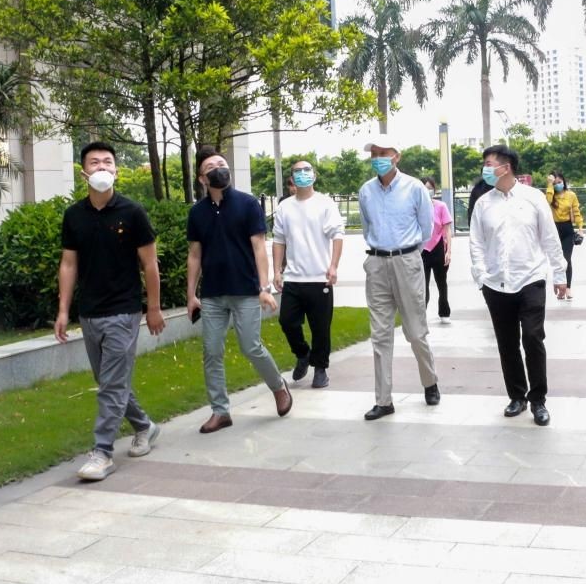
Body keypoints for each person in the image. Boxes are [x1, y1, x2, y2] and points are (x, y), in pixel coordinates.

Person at [56, 142, 165, 482]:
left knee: (111, 385)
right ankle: (144, 426)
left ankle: (102, 452)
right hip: (90, 311)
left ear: (116, 170)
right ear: (83, 172)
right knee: (108, 381)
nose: (101, 166)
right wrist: (63, 310)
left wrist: (153, 307)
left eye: (107, 161)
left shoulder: (132, 212)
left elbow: (150, 264)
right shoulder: (74, 215)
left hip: (123, 310)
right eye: (94, 162)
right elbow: (68, 264)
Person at [186, 147, 293, 433]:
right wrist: (191, 295)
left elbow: (259, 248)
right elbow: (194, 255)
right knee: (211, 351)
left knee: (250, 346)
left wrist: (264, 287)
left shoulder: (247, 204)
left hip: (245, 290)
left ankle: (278, 387)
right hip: (212, 294)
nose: (219, 169)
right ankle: (220, 411)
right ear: (202, 179)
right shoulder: (197, 213)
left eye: (221, 163)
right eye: (211, 167)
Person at [471, 146, 567, 426]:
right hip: (496, 283)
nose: (486, 169)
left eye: (490, 164)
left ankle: (538, 400)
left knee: (533, 338)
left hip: (530, 278)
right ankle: (517, 396)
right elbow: (476, 243)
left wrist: (560, 274)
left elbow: (549, 237)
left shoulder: (533, 198)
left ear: (507, 167)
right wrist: (481, 276)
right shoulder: (483, 203)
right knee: (507, 342)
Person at [357, 135, 440, 420]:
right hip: (376, 263)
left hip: (407, 260)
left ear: (397, 156)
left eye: (383, 153)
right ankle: (383, 400)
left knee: (415, 331)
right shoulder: (366, 191)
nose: (378, 158)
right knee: (380, 334)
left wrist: (408, 253)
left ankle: (429, 381)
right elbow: (366, 227)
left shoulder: (415, 188)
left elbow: (426, 228)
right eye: (374, 154)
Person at [272, 159, 344, 389]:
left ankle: (320, 369)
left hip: (319, 278)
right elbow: (279, 240)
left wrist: (333, 266)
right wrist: (277, 270)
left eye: (307, 170)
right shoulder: (284, 207)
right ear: (291, 178)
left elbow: (337, 235)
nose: (302, 173)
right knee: (287, 322)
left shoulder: (325, 204)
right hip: (293, 278)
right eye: (297, 171)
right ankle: (302, 353)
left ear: (314, 175)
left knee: (320, 328)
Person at [545, 170, 583, 299]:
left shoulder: (571, 195)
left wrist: (580, 228)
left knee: (566, 259)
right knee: (557, 260)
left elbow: (576, 212)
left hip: (567, 228)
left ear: (564, 182)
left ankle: (567, 288)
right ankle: (558, 287)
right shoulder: (550, 194)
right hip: (554, 228)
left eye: (559, 182)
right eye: (555, 183)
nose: (557, 185)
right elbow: (547, 202)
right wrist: (549, 185)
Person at [421, 177, 453, 324]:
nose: (428, 191)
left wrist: (448, 251)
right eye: (425, 188)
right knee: (423, 285)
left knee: (442, 283)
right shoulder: (417, 207)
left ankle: (444, 312)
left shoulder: (441, 206)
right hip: (422, 250)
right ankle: (421, 314)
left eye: (430, 188)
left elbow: (447, 229)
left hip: (438, 248)